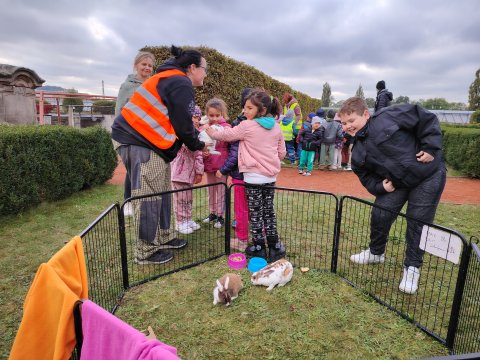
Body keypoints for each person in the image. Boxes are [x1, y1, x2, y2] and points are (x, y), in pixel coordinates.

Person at [111, 45, 209, 265]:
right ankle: (145, 251)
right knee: (149, 196)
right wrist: (198, 144)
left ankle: (163, 236)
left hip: (149, 142)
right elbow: (183, 124)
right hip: (138, 140)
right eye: (205, 69)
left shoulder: (169, 78)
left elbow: (176, 120)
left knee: (162, 191)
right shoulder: (179, 81)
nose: (205, 74)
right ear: (192, 68)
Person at [338, 97, 446, 294]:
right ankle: (376, 252)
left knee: (418, 221)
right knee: (380, 214)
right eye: (344, 123)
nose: (347, 126)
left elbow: (425, 118)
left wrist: (431, 147)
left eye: (351, 120)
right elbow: (366, 178)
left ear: (365, 114)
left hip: (428, 174)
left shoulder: (389, 115)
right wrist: (380, 187)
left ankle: (412, 268)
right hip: (397, 184)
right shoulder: (358, 152)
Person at [206, 89, 287, 262]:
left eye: (249, 108)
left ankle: (258, 247)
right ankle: (274, 245)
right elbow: (282, 153)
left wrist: (208, 129)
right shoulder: (277, 127)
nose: (245, 111)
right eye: (245, 108)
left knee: (256, 211)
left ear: (262, 110)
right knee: (269, 210)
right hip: (270, 177)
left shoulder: (246, 126)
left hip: (253, 178)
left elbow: (225, 135)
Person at [115, 51, 156, 216]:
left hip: (148, 132)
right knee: (133, 167)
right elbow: (119, 109)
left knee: (142, 167)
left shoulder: (153, 84)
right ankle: (128, 201)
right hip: (130, 132)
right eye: (144, 64)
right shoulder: (127, 86)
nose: (147, 68)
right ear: (136, 65)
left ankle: (141, 198)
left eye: (150, 65)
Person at [217, 88, 251, 250]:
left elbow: (235, 153)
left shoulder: (240, 124)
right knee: (259, 208)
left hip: (240, 175)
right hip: (259, 175)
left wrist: (223, 169)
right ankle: (262, 239)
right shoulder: (264, 123)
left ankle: (242, 240)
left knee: (241, 209)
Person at [171, 105, 204, 234]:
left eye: (198, 117)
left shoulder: (198, 135)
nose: (196, 120)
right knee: (179, 199)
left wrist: (199, 171)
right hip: (179, 172)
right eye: (193, 117)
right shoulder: (180, 133)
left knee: (188, 198)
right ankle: (180, 222)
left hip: (190, 173)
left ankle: (188, 219)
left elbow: (199, 155)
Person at [201, 98, 231, 228]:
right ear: (207, 114)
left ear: (222, 114)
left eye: (217, 115)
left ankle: (220, 215)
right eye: (211, 115)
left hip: (221, 165)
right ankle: (212, 213)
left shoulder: (227, 128)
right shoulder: (204, 128)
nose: (214, 118)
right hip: (209, 163)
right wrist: (204, 152)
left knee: (221, 190)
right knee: (211, 190)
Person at [282, 93, 303, 159]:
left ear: (287, 99)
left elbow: (298, 115)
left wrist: (293, 123)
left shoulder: (295, 105)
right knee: (288, 140)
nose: (283, 100)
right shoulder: (286, 105)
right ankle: (290, 154)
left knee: (296, 140)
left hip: (296, 126)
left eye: (284, 99)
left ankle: (296, 154)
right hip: (288, 125)